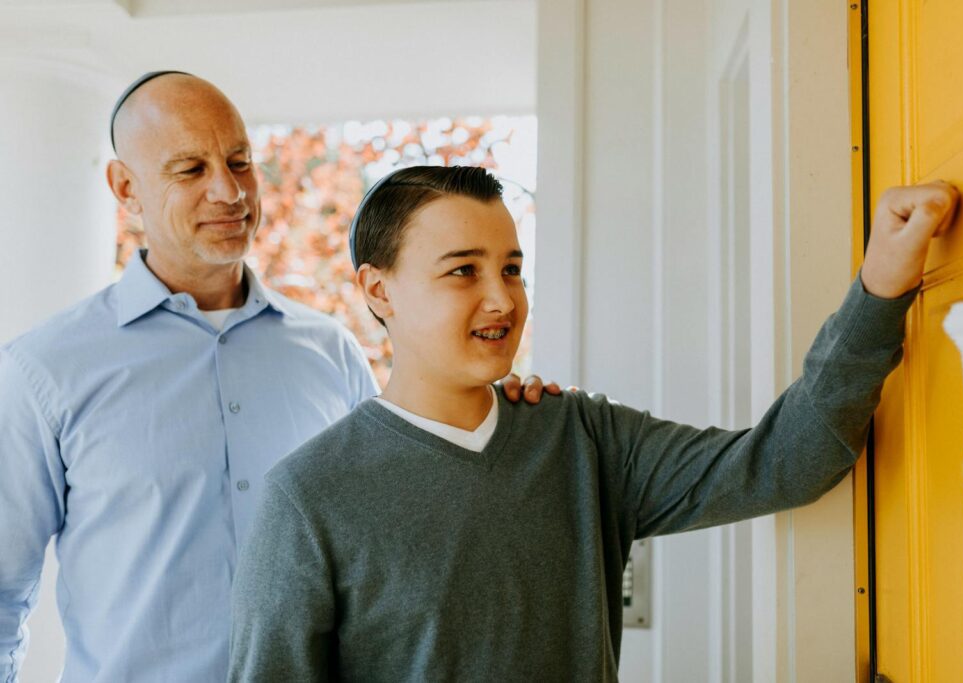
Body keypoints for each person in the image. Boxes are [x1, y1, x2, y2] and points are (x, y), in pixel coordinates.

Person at [228, 166, 959, 681]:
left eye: (511, 268)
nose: (501, 299)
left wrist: (880, 287)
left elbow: (786, 462)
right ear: (377, 289)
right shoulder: (309, 497)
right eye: (463, 270)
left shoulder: (581, 437)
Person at [0, 73, 555, 682]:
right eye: (190, 170)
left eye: (240, 162)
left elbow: (399, 540)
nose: (229, 191)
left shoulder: (331, 353)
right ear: (125, 187)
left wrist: (507, 418)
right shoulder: (44, 370)